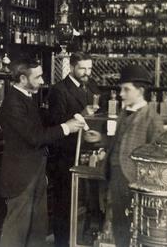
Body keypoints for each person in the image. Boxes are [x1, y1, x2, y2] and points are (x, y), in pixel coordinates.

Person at [0, 59, 86, 247]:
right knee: (16, 232)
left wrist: (73, 119)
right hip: (21, 177)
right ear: (23, 78)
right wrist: (66, 127)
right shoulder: (12, 102)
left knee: (37, 230)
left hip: (35, 172)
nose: (42, 81)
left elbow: (43, 123)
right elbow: (34, 137)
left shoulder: (27, 97)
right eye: (37, 77)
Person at [106, 64, 165, 247]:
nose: (121, 94)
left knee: (136, 224)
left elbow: (157, 155)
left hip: (133, 179)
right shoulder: (124, 112)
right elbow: (120, 142)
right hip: (116, 176)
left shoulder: (152, 118)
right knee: (118, 223)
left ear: (140, 91)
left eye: (126, 89)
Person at [47, 52, 101, 247]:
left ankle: (82, 240)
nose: (87, 72)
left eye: (89, 68)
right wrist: (82, 114)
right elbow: (56, 123)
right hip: (65, 157)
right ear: (71, 67)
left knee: (88, 202)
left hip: (86, 153)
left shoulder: (91, 86)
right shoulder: (58, 90)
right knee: (64, 204)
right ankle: (62, 243)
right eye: (82, 68)